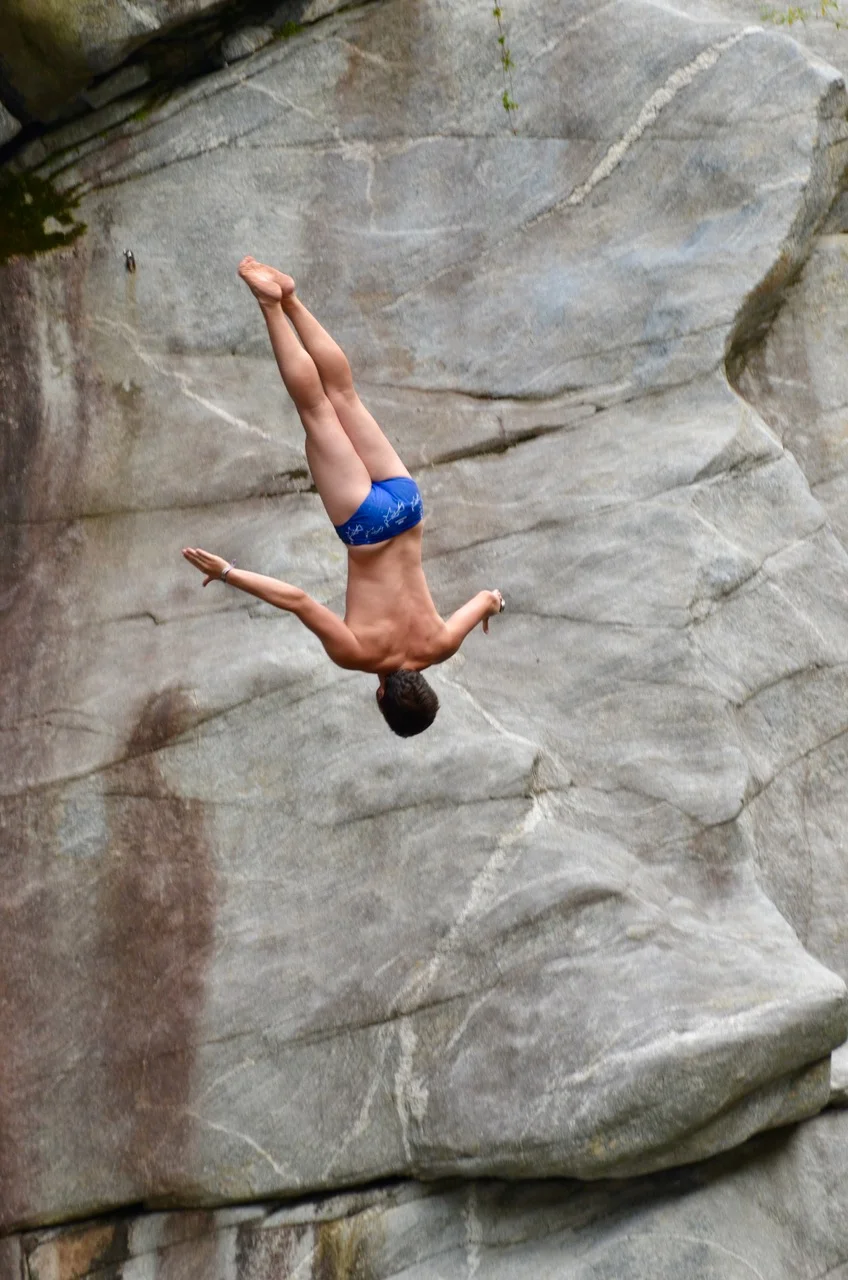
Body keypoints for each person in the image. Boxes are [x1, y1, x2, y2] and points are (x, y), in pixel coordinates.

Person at [182, 258, 505, 737]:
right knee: (315, 409)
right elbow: (298, 601)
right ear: (382, 697)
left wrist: (495, 604)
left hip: (406, 507)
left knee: (344, 395)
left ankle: (290, 296)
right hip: (366, 525)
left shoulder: (443, 644)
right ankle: (271, 306)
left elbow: (487, 597)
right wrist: (227, 572)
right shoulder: (358, 654)